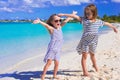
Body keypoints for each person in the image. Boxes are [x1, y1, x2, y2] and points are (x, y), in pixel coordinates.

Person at [58, 4, 118, 77]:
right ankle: (85, 72)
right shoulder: (84, 20)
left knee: (93, 55)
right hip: (85, 42)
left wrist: (113, 27)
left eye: (88, 13)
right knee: (84, 57)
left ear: (94, 13)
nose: (87, 15)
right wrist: (63, 14)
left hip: (94, 42)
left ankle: (95, 66)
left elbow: (107, 23)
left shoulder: (98, 21)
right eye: (86, 13)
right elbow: (74, 16)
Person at [33, 12, 75, 80]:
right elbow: (46, 25)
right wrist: (40, 22)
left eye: (59, 20)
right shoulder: (52, 29)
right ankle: (43, 76)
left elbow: (66, 20)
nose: (58, 22)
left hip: (58, 49)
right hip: (52, 49)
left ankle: (54, 76)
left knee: (57, 63)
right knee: (49, 63)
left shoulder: (60, 27)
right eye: (56, 21)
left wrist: (72, 14)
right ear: (52, 22)